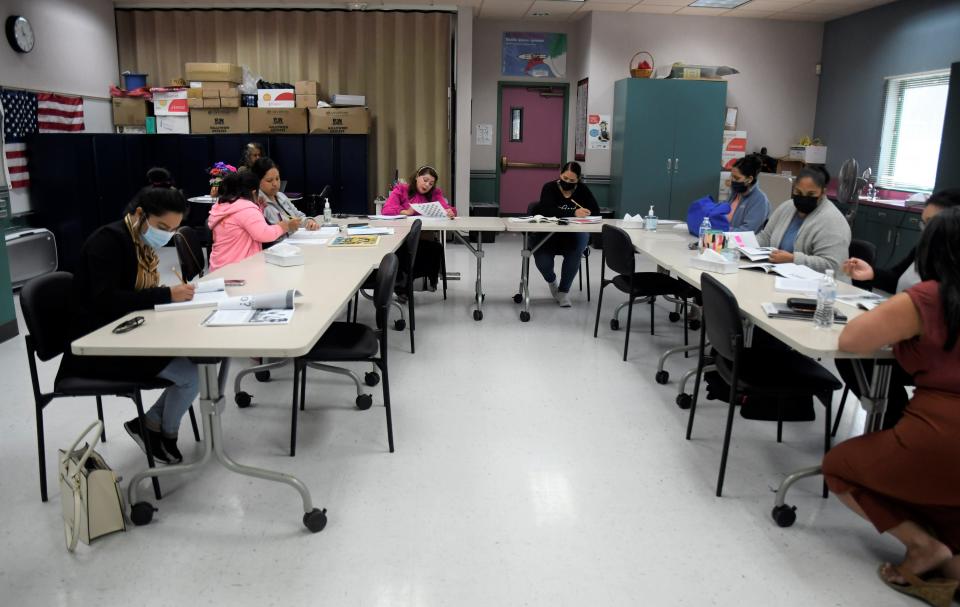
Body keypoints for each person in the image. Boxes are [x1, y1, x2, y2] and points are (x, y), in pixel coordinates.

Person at [823, 206, 960, 604]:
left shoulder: (929, 296)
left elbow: (851, 341)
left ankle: (920, 546)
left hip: (940, 431)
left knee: (839, 469)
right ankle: (943, 558)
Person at [60, 185, 199, 465]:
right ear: (140, 214)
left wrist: (164, 299)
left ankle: (150, 424)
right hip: (99, 345)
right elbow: (107, 301)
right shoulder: (108, 242)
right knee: (191, 375)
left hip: (129, 331)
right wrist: (166, 295)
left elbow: (134, 296)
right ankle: (163, 434)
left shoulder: (140, 245)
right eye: (162, 226)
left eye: (173, 229)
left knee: (197, 363)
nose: (167, 235)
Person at [836, 189, 960, 430]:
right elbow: (897, 279)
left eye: (933, 224)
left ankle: (896, 425)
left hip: (932, 358)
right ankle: (891, 420)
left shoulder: (933, 292)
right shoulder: (924, 251)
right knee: (853, 360)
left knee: (859, 354)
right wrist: (871, 273)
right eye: (924, 224)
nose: (926, 232)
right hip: (908, 342)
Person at [756, 165, 850, 274]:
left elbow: (832, 265)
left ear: (823, 192)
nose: (803, 198)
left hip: (823, 286)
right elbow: (766, 237)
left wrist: (793, 259)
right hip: (781, 275)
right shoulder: (787, 207)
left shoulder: (833, 221)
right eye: (798, 192)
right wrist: (743, 246)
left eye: (811, 194)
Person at [530, 161, 600, 308]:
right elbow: (547, 210)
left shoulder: (582, 190)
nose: (567, 182)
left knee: (580, 243)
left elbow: (596, 211)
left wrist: (588, 212)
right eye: (565, 178)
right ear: (560, 175)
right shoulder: (549, 188)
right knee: (543, 262)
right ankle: (552, 281)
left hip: (571, 236)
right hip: (547, 235)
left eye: (572, 180)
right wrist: (573, 212)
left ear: (578, 180)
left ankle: (563, 291)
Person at [207, 170, 300, 273]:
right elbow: (264, 234)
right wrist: (283, 227)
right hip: (238, 269)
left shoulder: (223, 206)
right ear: (254, 192)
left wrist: (258, 207)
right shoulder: (246, 209)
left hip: (219, 269)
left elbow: (245, 224)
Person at [381, 165, 456, 291]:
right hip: (401, 237)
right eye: (425, 180)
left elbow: (446, 207)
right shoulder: (401, 189)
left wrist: (450, 211)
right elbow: (386, 210)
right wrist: (406, 212)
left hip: (423, 236)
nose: (427, 185)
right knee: (407, 251)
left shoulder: (435, 193)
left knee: (434, 248)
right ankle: (403, 286)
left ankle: (420, 282)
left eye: (431, 183)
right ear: (417, 177)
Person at [252, 157, 319, 230]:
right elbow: (265, 232)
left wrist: (308, 221)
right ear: (257, 181)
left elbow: (298, 215)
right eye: (269, 180)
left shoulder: (281, 196)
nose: (275, 184)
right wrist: (287, 226)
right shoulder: (258, 203)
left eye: (277, 178)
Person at [724, 154, 770, 233]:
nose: (732, 180)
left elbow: (746, 231)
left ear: (749, 179)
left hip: (743, 244)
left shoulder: (760, 200)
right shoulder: (735, 192)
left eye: (737, 178)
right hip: (726, 240)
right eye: (732, 176)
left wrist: (721, 230)